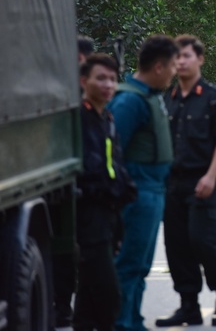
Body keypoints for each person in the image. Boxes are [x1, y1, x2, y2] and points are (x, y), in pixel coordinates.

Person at [155, 35, 216, 327]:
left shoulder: (215, 97)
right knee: (176, 245)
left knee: (203, 241)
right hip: (173, 184)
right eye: (177, 57)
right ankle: (187, 304)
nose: (181, 61)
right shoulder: (168, 99)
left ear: (200, 59)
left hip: (204, 180)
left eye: (187, 56)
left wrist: (211, 176)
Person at [108, 35, 179, 331]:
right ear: (160, 67)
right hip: (138, 190)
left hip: (154, 190)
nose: (176, 71)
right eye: (174, 65)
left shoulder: (150, 96)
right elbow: (111, 150)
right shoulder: (129, 100)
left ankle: (134, 319)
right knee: (129, 264)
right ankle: (121, 323)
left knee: (141, 264)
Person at [74, 54, 136, 331]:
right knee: (109, 292)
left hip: (110, 212)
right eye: (101, 78)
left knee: (89, 293)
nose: (108, 84)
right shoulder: (79, 118)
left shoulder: (106, 117)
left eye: (112, 79)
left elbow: (114, 163)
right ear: (83, 81)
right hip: (90, 212)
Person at [53, 34, 97, 327]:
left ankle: (72, 304)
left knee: (77, 248)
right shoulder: (60, 92)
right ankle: (64, 305)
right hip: (64, 180)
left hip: (87, 184)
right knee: (64, 248)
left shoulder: (94, 97)